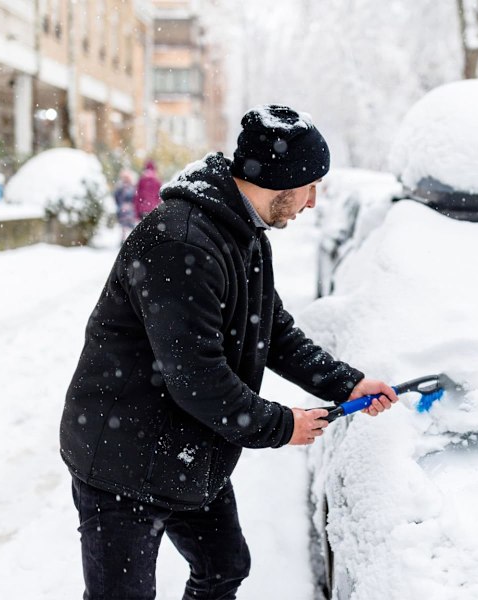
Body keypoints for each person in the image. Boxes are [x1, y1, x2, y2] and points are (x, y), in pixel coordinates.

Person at [60, 104, 398, 600]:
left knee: (224, 567)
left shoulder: (244, 234)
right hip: (122, 462)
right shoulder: (181, 242)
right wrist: (283, 426)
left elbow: (272, 329)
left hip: (189, 449)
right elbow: (198, 378)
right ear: (282, 180)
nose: (311, 203)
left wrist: (345, 382)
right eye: (309, 186)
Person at [114, 169, 137, 242]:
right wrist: (121, 205)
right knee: (124, 225)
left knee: (130, 224)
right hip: (122, 209)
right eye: (124, 177)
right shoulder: (120, 186)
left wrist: (131, 204)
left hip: (130, 209)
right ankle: (124, 240)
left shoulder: (132, 186)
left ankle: (132, 240)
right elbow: (116, 197)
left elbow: (135, 197)